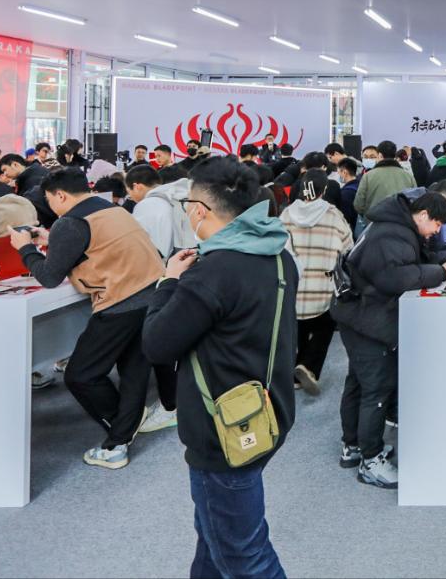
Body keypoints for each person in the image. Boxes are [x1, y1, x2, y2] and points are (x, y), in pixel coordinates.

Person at [139, 156, 296, 578]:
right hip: (266, 410)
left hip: (222, 426)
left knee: (244, 557)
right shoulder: (278, 254)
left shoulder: (212, 272)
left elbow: (156, 345)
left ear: (198, 210)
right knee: (214, 538)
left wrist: (168, 282)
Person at [10, 168, 166, 469]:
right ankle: (121, 436)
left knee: (81, 375)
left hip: (120, 302)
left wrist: (26, 248)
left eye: (49, 199)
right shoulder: (111, 210)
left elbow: (49, 277)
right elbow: (99, 246)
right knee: (133, 370)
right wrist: (51, 238)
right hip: (151, 293)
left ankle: (119, 433)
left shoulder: (70, 223)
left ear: (60, 195)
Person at [331, 191, 446, 488]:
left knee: (359, 382)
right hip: (367, 317)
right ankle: (370, 460)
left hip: (358, 312)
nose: (437, 231)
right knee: (376, 388)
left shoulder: (395, 227)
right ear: (423, 215)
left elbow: (414, 261)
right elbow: (395, 278)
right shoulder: (392, 234)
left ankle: (353, 446)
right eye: (437, 224)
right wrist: (441, 273)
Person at [281, 170, 354, 396]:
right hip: (323, 284)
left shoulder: (286, 214)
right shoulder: (333, 215)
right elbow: (348, 247)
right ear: (323, 190)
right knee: (325, 325)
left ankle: (296, 375)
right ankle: (309, 366)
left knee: (299, 326)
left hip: (295, 283)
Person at [127, 164, 198, 261]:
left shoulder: (146, 205)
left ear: (136, 187)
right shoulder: (187, 196)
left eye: (129, 192)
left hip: (166, 265)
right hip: (197, 258)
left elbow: (139, 246)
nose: (130, 197)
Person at [352, 140, 415, 234]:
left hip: (374, 227)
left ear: (380, 155)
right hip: (402, 227)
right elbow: (414, 201)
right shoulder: (408, 176)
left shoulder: (368, 176)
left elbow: (358, 205)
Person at [335, 158, 361, 227]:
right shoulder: (361, 185)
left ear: (344, 172)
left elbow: (345, 217)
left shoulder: (346, 193)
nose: (338, 175)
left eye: (338, 172)